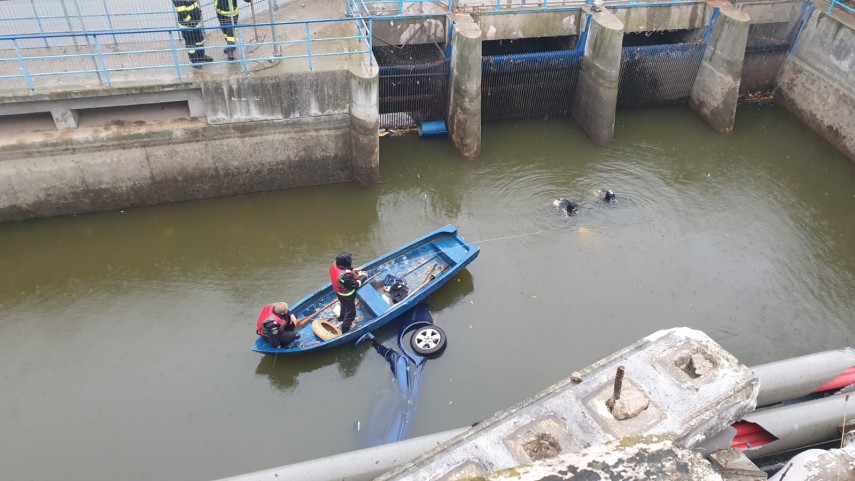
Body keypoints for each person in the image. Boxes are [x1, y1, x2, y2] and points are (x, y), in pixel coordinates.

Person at [329, 252, 367, 334]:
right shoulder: (345, 276)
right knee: (351, 313)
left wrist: (353, 271)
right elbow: (355, 285)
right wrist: (363, 276)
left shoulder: (335, 264)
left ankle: (341, 318)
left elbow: (346, 273)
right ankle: (344, 331)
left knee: (344, 305)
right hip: (347, 295)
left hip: (338, 293)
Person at [172, 0, 213, 68]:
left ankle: (201, 56)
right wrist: (191, 20)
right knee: (190, 44)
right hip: (187, 26)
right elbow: (182, 13)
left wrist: (197, 14)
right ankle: (195, 61)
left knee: (199, 40)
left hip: (196, 23)